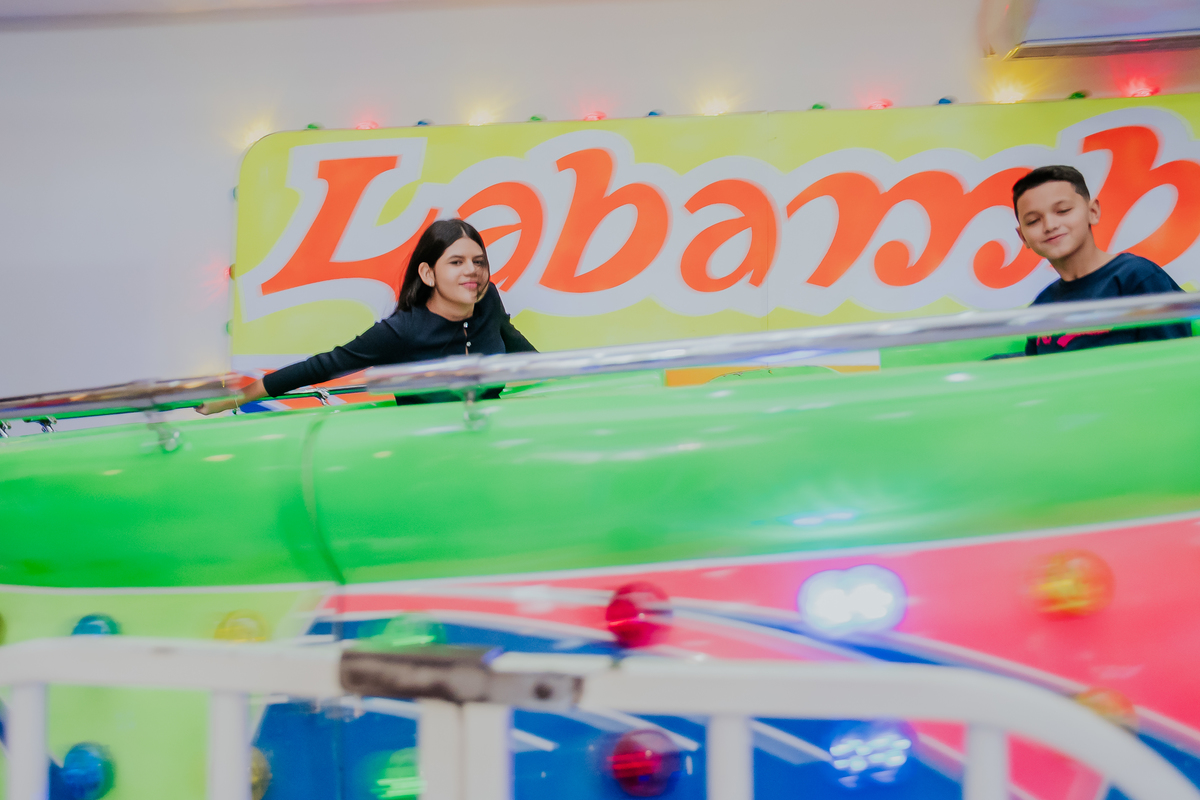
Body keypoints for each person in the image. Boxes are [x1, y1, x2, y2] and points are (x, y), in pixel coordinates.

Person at [198, 219, 536, 414]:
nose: (472, 272)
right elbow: (323, 366)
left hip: (491, 441)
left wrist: (574, 380)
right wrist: (236, 397)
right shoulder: (403, 330)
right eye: (456, 262)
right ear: (428, 273)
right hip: (430, 454)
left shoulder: (488, 299)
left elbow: (517, 344)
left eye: (479, 262)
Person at [1012, 164, 1191, 356]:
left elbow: (1175, 361)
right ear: (1023, 236)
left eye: (1063, 210)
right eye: (1033, 221)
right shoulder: (1041, 306)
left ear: (1093, 212)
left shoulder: (1137, 277)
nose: (1050, 225)